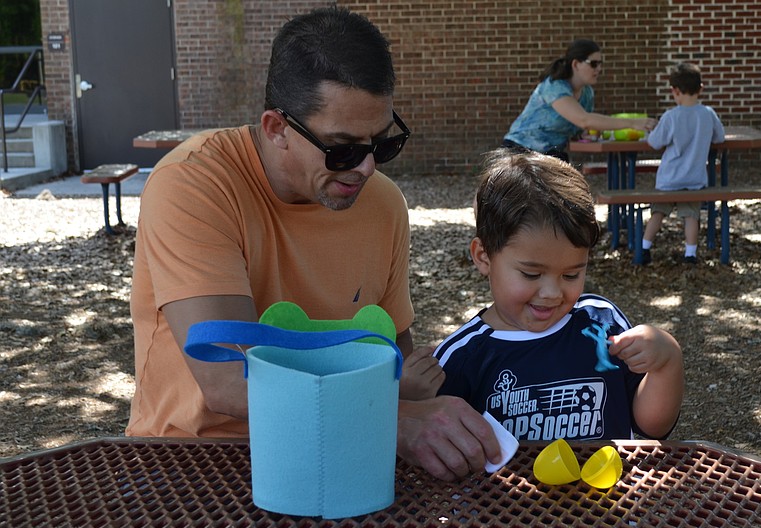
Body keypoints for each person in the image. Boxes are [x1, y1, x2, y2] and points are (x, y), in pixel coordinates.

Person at [127, 7, 501, 481]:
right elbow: (229, 380)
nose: (366, 168)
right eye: (342, 149)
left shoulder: (382, 203)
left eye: (381, 144)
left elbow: (392, 357)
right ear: (276, 129)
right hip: (198, 460)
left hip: (346, 452)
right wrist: (392, 421)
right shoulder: (194, 185)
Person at [432, 149, 684, 441]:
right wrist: (411, 397)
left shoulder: (601, 324)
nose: (552, 293)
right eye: (531, 274)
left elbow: (653, 427)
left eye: (571, 275)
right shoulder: (462, 357)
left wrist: (667, 361)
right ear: (483, 256)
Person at [502, 39, 657, 161]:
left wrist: (584, 135)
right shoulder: (554, 86)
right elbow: (584, 120)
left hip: (550, 155)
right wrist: (634, 123)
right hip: (519, 152)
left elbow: (582, 127)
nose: (599, 69)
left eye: (600, 64)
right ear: (576, 64)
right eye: (594, 64)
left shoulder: (587, 94)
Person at [640, 63, 725, 265]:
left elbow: (655, 142)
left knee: (658, 212)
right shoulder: (708, 114)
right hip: (695, 179)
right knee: (691, 215)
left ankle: (644, 248)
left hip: (669, 179)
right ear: (701, 88)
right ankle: (690, 253)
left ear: (675, 91)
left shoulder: (671, 116)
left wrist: (649, 132)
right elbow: (720, 137)